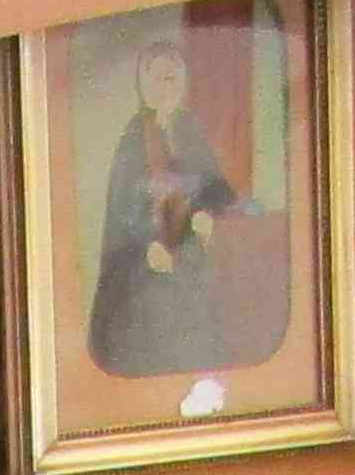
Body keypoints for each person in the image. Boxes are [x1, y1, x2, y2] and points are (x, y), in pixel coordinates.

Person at [88, 30, 267, 381]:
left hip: (189, 256)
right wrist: (148, 246)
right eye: (155, 78)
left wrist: (207, 211)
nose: (164, 85)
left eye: (171, 77)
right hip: (143, 263)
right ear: (144, 85)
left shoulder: (190, 129)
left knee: (200, 331)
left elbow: (214, 187)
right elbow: (122, 208)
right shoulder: (133, 137)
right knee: (153, 329)